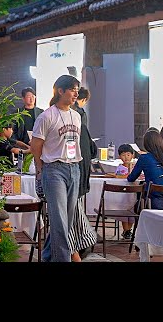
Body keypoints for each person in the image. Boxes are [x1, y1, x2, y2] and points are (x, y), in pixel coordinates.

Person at [30, 74, 82, 262]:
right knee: (59, 220)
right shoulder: (47, 116)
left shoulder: (76, 116)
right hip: (53, 169)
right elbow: (35, 145)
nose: (76, 93)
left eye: (77, 89)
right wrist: (39, 168)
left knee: (66, 221)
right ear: (60, 91)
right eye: (72, 89)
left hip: (73, 168)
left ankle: (47, 257)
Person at [67, 85, 98, 261]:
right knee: (71, 215)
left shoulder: (76, 122)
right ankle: (79, 247)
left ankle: (79, 249)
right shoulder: (82, 124)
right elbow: (92, 151)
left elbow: (71, 154)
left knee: (71, 217)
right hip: (80, 177)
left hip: (74, 177)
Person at [128, 130, 163, 210]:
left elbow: (132, 178)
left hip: (154, 197)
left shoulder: (144, 158)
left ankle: (138, 220)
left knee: (139, 197)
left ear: (146, 144)